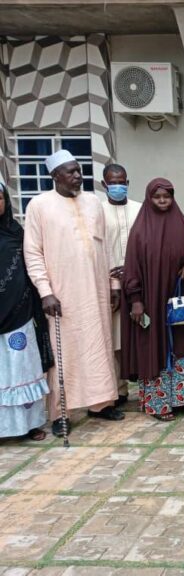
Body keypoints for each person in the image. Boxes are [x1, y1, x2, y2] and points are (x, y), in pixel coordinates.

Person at [24, 150, 124, 436]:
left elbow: (106, 247)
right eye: (70, 171)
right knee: (64, 353)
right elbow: (33, 253)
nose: (78, 176)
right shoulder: (39, 205)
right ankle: (61, 412)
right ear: (55, 176)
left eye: (79, 170)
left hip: (95, 290)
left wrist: (113, 285)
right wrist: (45, 292)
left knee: (98, 347)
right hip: (62, 293)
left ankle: (101, 404)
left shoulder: (93, 202)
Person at [122, 178, 184, 421]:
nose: (162, 200)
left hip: (181, 299)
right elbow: (132, 268)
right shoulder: (140, 230)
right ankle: (160, 404)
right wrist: (136, 299)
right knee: (157, 345)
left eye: (167, 196)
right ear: (149, 198)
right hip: (153, 299)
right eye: (157, 197)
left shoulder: (183, 224)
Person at [0, 182, 51, 441]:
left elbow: (31, 267)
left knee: (22, 369)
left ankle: (29, 425)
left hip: (19, 314)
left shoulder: (16, 233)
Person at [101, 163, 142, 406]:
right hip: (109, 282)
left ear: (127, 183)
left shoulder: (140, 209)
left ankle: (145, 383)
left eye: (122, 182)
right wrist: (111, 279)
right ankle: (119, 390)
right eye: (112, 182)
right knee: (115, 337)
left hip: (139, 279)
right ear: (104, 184)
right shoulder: (97, 211)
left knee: (140, 332)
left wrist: (132, 269)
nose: (117, 186)